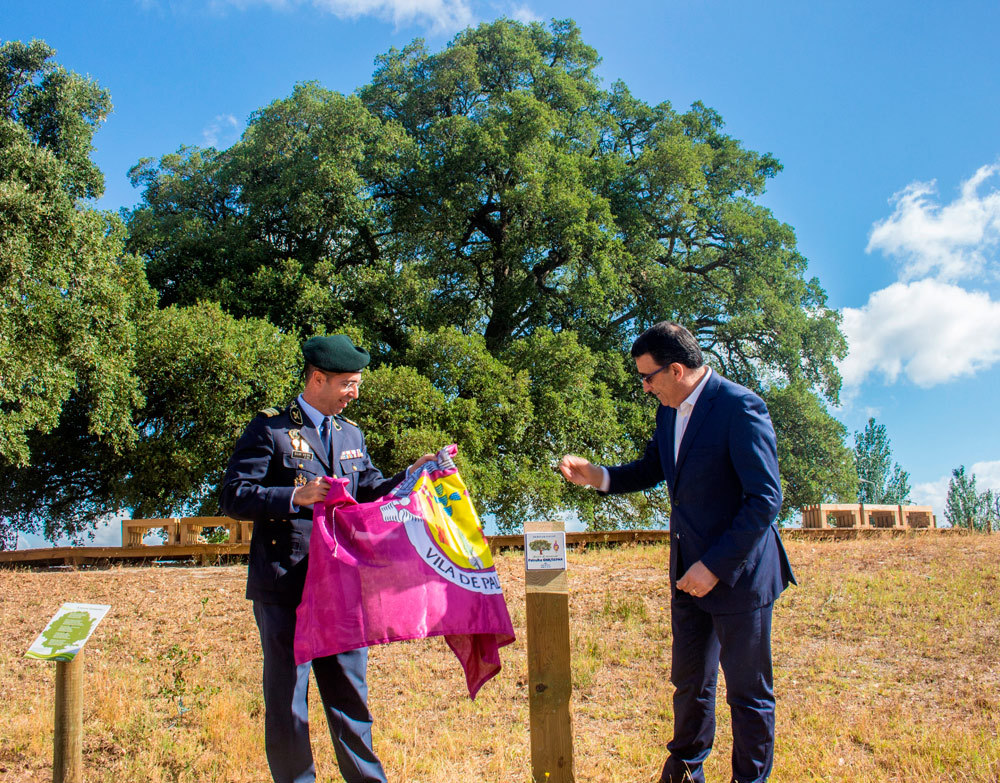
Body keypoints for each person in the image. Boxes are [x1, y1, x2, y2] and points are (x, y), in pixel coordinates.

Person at [559, 321, 795, 783]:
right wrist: (599, 475)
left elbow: (765, 498)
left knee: (747, 695)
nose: (645, 388)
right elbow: (653, 467)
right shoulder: (669, 410)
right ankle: (686, 772)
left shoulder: (740, 406)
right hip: (687, 574)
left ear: (677, 370)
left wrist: (715, 567)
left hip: (741, 576)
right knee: (690, 684)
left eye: (648, 378)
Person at [221, 334, 434, 783]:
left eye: (356, 384)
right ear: (318, 379)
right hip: (287, 588)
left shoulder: (350, 433)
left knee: (350, 698)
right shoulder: (270, 429)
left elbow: (369, 489)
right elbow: (234, 496)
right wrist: (293, 496)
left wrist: (411, 475)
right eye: (347, 384)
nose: (354, 393)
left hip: (343, 589)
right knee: (288, 703)